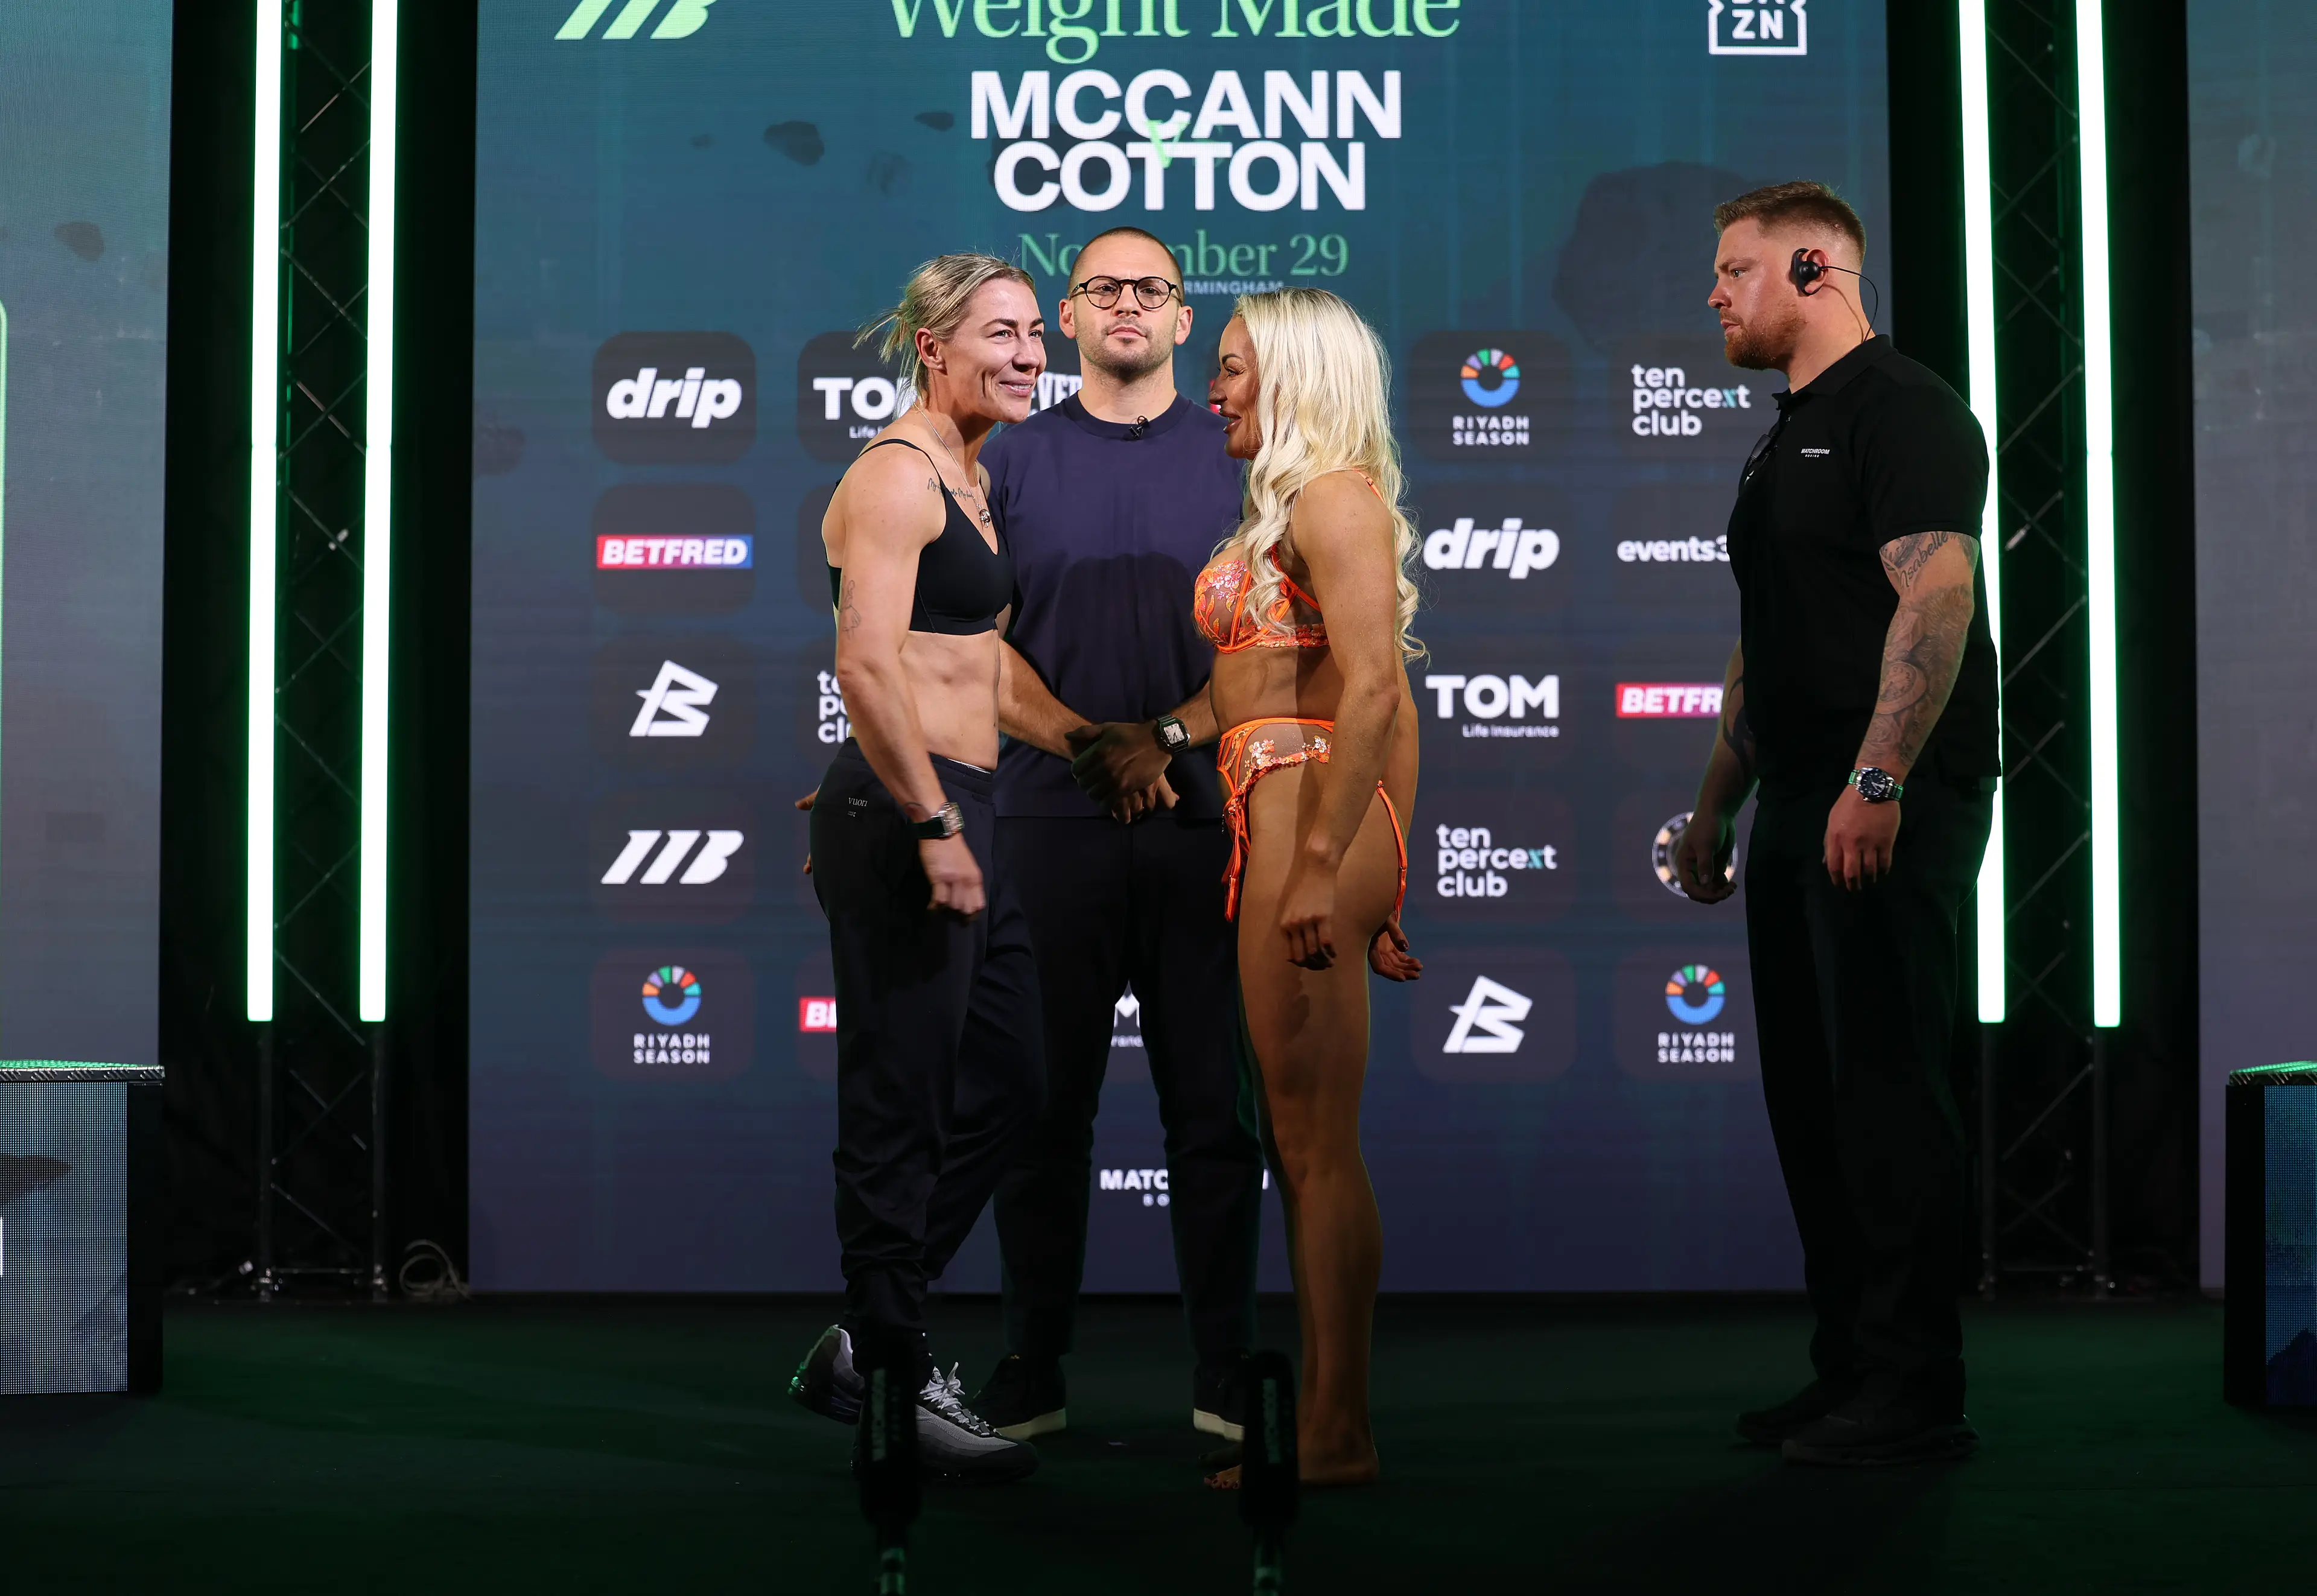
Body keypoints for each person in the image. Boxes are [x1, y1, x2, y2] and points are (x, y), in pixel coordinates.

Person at [1674, 182, 1999, 1465]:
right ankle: (1848, 1366)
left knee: (1883, 1093)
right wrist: (1716, 803)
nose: (1714, 295)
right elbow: (1769, 638)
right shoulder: (1782, 436)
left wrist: (1878, 780)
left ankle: (1916, 1388)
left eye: (1734, 271)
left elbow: (1937, 592)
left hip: (1889, 795)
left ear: (1815, 267)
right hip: (1800, 797)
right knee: (1811, 1101)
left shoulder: (1905, 408)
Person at [964, 227, 1270, 1449]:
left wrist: (1173, 738)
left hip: (1211, 826)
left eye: (1154, 288)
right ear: (1069, 316)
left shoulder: (1245, 451)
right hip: (1051, 822)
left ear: (1184, 320)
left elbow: (1280, 644)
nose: (1129, 305)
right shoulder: (1008, 460)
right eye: (1104, 289)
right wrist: (1096, 739)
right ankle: (1031, 1367)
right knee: (1043, 1111)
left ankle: (1227, 1371)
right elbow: (969, 641)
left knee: (1215, 1114)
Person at [784, 254, 1050, 1484]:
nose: (1031, 352)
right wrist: (932, 822)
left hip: (963, 805)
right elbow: (869, 666)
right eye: (1003, 332)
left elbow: (978, 671)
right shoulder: (893, 478)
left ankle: (867, 1330)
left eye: (1037, 332)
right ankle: (892, 1369)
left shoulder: (973, 478)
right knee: (900, 1103)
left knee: (1011, 1082)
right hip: (912, 818)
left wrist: (1097, 742)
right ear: (932, 346)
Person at [1191, 287, 1425, 1490]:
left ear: (1291, 377)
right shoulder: (1292, 505)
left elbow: (1379, 688)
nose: (1213, 388)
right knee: (1298, 1135)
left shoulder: (1335, 496)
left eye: (1233, 369)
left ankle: (1339, 1428)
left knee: (1315, 1140)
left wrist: (1339, 864)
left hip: (1304, 816)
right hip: (1279, 808)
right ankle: (1334, 1416)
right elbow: (1276, 681)